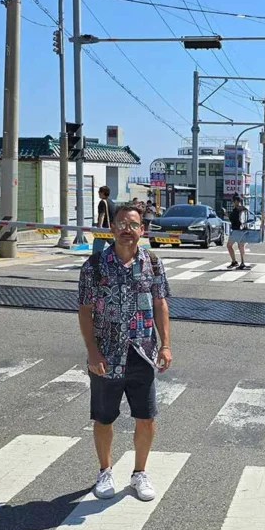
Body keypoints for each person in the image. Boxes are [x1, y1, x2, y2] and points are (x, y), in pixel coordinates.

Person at [78, 204, 172, 502]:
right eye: (121, 223)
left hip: (142, 352)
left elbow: (160, 304)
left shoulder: (153, 263)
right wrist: (92, 352)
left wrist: (166, 345)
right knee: (104, 418)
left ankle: (139, 473)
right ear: (112, 228)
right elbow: (84, 310)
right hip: (106, 355)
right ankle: (104, 470)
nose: (127, 229)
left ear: (142, 230)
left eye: (133, 224)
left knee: (146, 417)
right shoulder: (94, 266)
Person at [227, 196, 251, 270]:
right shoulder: (244, 208)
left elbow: (233, 220)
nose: (232, 203)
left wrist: (226, 214)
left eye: (233, 201)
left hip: (236, 230)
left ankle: (234, 261)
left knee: (229, 245)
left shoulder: (236, 210)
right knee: (241, 247)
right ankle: (242, 262)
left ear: (236, 201)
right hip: (243, 229)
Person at [93, 186, 115, 255]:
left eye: (99, 192)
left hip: (103, 230)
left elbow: (102, 215)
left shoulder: (102, 202)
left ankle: (96, 263)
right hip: (110, 228)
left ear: (102, 193)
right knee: (116, 247)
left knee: (96, 251)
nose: (98, 193)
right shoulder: (111, 202)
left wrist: (99, 228)